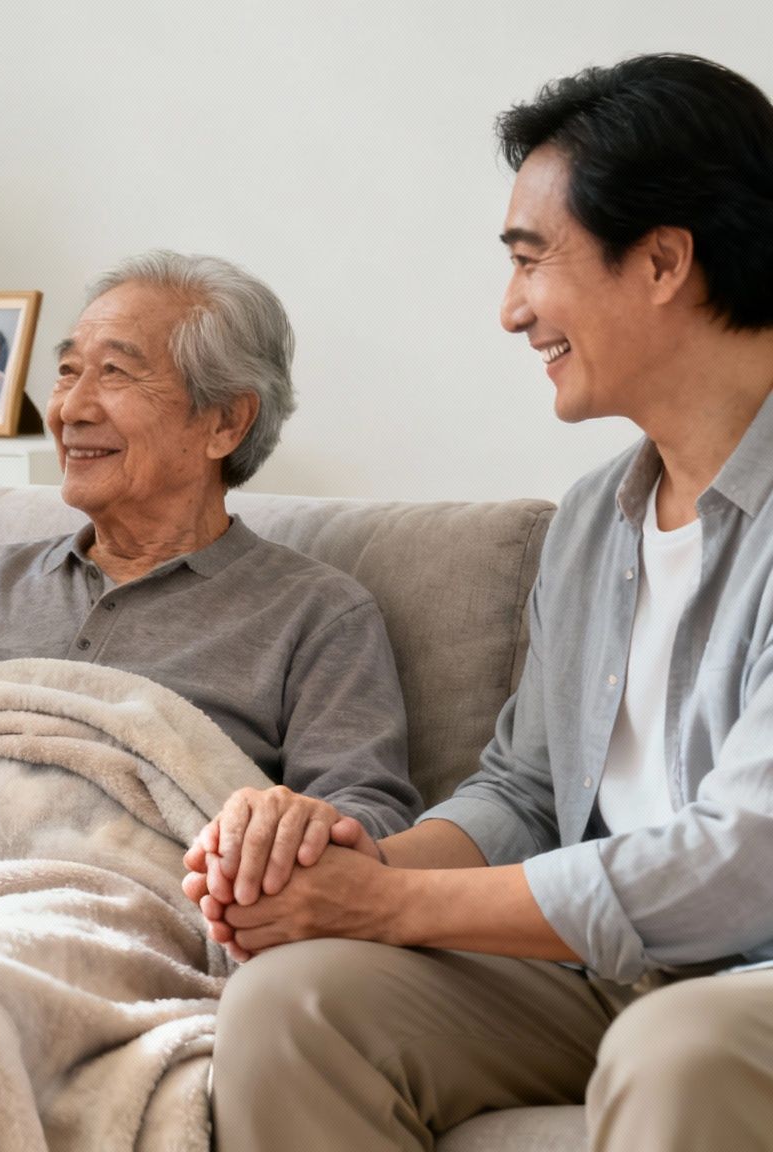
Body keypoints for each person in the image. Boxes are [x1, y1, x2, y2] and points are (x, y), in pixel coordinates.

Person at [192, 54, 773, 1151]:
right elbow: (523, 786)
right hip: (614, 966)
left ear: (660, 261)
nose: (509, 312)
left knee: (679, 1051)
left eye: (529, 260)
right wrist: (348, 867)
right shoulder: (596, 516)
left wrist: (394, 908)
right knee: (290, 1007)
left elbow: (748, 856)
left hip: (750, 976)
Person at [0, 251, 420, 838]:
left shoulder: (316, 614)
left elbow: (365, 819)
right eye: (68, 371)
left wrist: (293, 830)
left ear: (226, 422)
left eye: (114, 372)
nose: (71, 408)